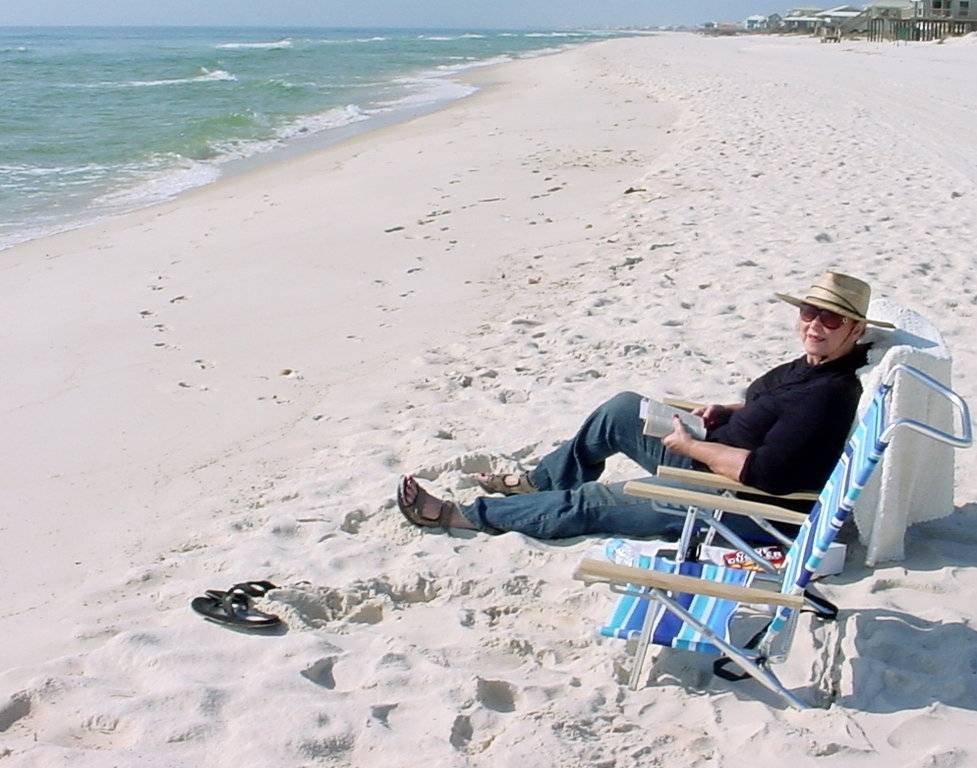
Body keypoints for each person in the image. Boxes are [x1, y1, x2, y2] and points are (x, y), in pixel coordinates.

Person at [396, 272, 893, 541]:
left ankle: (463, 516)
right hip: (713, 458)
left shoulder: (829, 393)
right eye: (810, 312)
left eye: (832, 319)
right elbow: (773, 415)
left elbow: (767, 473)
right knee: (623, 409)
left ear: (856, 331)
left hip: (735, 505)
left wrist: (689, 448)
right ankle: (540, 483)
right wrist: (729, 413)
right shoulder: (811, 366)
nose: (815, 324)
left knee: (597, 502)